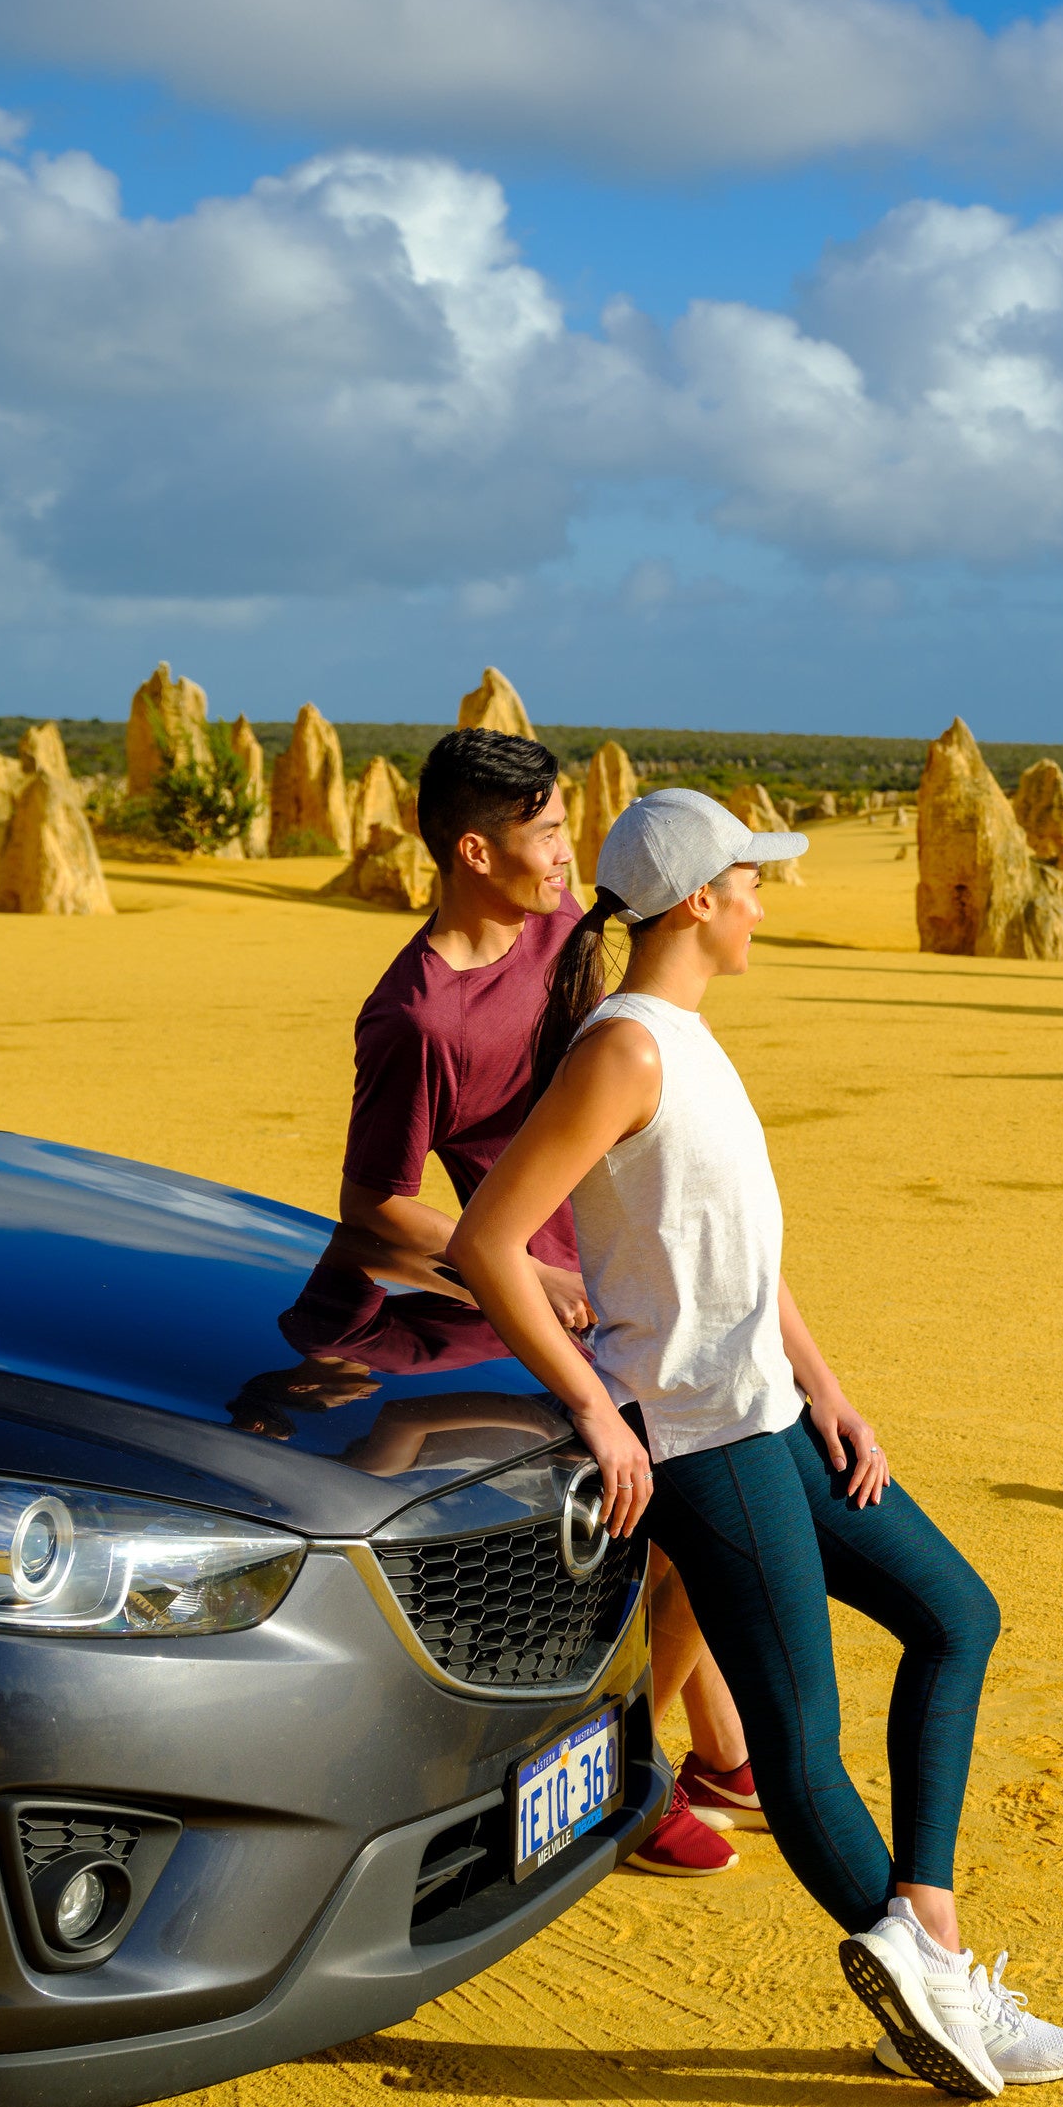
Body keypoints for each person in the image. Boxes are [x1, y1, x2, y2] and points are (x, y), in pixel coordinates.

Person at [450, 790, 1063, 2098]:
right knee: (797, 1743)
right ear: (698, 900)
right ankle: (934, 1995)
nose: (762, 903)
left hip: (774, 1415)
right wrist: (591, 1405)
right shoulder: (625, 1051)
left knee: (955, 1614)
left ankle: (937, 1954)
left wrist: (828, 1384)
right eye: (750, 882)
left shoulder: (687, 1039)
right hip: (695, 1435)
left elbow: (742, 1253)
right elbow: (488, 1243)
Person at [340, 728, 759, 1873]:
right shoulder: (416, 1017)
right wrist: (536, 1269)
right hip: (519, 1292)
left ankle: (721, 1746)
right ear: (475, 850)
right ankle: (641, 1764)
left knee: (703, 1499)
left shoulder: (559, 934)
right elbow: (374, 1207)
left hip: (609, 1263)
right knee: (680, 1516)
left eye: (571, 830)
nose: (570, 857)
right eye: (548, 836)